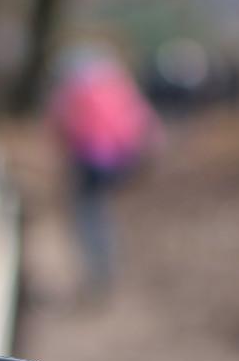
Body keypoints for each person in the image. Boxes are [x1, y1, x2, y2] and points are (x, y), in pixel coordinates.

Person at [48, 46, 158, 295]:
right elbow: (143, 121)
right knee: (99, 212)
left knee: (87, 214)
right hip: (116, 160)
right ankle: (106, 268)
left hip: (88, 159)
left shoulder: (73, 89)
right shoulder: (116, 84)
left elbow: (60, 123)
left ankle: (96, 273)